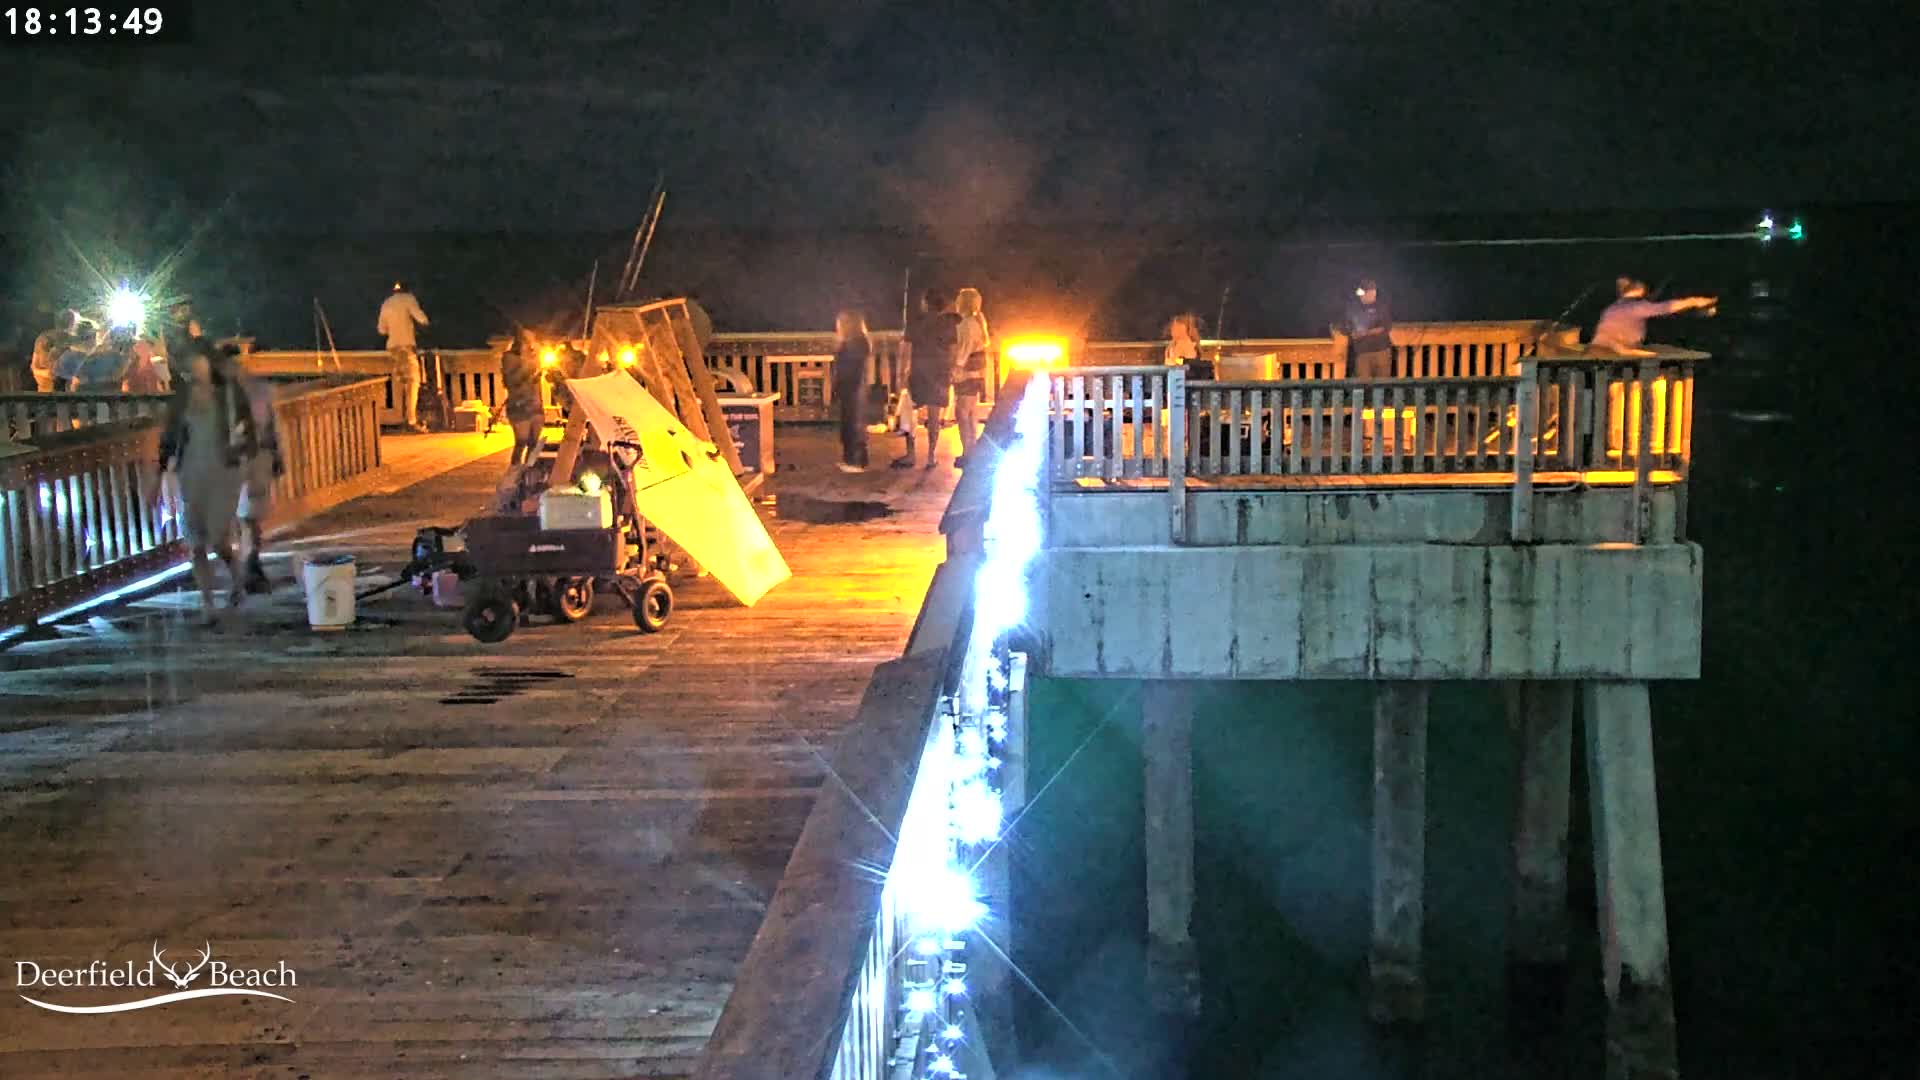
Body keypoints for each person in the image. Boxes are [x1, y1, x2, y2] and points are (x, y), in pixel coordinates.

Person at [158, 338, 257, 625]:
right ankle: (207, 603)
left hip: (224, 471)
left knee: (217, 537)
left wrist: (249, 458)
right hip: (191, 471)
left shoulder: (227, 394)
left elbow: (247, 428)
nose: (193, 365)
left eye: (198, 359)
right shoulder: (182, 398)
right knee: (195, 540)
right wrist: (163, 468)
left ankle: (237, 577)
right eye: (189, 361)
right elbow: (170, 436)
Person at [231, 347, 282, 594]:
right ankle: (249, 562)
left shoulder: (254, 393)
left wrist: (277, 456)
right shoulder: (252, 392)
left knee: (248, 516)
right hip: (245, 458)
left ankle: (250, 563)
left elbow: (272, 427)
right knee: (246, 516)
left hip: (252, 457)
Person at [893, 288, 959, 470]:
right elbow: (953, 350)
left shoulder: (915, 323)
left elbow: (905, 350)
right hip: (940, 372)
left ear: (925, 303)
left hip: (919, 371)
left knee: (909, 413)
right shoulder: (948, 324)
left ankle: (911, 453)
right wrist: (952, 368)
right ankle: (930, 456)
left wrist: (901, 374)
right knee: (934, 416)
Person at [1589, 277, 1717, 353]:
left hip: (1601, 348)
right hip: (1617, 351)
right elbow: (1666, 307)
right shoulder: (1636, 306)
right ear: (1639, 290)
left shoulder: (1611, 308)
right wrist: (1694, 301)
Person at [377, 281, 431, 432]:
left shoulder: (386, 303)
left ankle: (402, 418)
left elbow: (381, 330)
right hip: (406, 348)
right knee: (413, 382)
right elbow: (422, 319)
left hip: (392, 348)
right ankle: (411, 421)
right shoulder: (408, 299)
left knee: (400, 383)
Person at [951, 288, 991, 468]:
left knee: (962, 412)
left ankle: (968, 452)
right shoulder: (977, 322)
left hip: (967, 371)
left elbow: (964, 348)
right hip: (976, 371)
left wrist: (957, 366)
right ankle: (972, 450)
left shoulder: (967, 324)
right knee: (971, 412)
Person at [831, 310, 872, 473]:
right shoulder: (855, 341)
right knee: (849, 423)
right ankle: (851, 459)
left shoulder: (856, 342)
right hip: (850, 387)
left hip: (853, 387)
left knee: (854, 424)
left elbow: (850, 367)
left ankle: (856, 461)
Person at [498, 329, 547, 467]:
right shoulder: (510, 357)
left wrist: (537, 372)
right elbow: (512, 381)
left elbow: (536, 380)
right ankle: (514, 474)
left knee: (534, 443)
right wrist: (527, 364)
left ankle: (528, 473)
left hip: (535, 405)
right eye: (528, 339)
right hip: (519, 405)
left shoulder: (534, 356)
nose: (532, 342)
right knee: (521, 442)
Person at [1338, 278, 1393, 377]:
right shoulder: (1352, 308)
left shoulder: (1382, 307)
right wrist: (1351, 332)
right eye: (1361, 294)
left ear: (1373, 293)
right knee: (1363, 385)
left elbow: (1386, 327)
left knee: (1382, 385)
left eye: (1364, 293)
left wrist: (1365, 333)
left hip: (1381, 352)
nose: (1361, 297)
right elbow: (1343, 326)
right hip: (1362, 354)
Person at [70, 326, 136, 392]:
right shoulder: (119, 357)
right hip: (95, 391)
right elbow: (116, 377)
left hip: (91, 391)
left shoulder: (117, 357)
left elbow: (80, 372)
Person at [31, 310, 82, 392]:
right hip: (62, 397)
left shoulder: (42, 337)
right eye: (78, 322)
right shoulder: (73, 342)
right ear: (72, 323)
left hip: (44, 396)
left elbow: (34, 368)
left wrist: (45, 373)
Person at [1164, 312, 1212, 380]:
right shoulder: (1171, 346)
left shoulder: (1190, 345)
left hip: (1185, 379)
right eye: (1173, 326)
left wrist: (1178, 361)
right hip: (1171, 378)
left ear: (1184, 328)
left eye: (1177, 326)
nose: (1173, 329)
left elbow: (1190, 365)